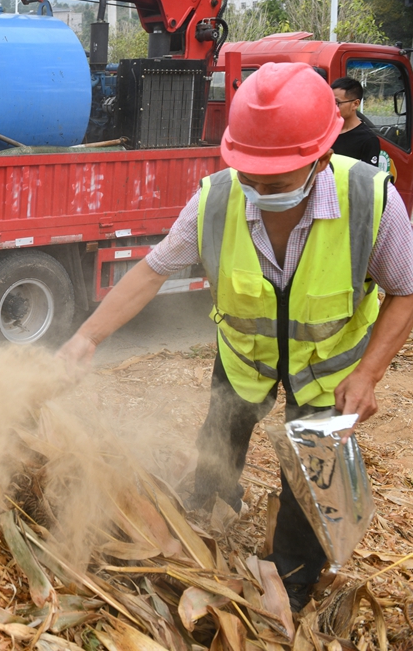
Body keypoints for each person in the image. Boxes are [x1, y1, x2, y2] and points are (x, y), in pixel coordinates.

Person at [58, 62, 413, 613]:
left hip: (329, 375)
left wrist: (368, 375)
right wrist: (87, 337)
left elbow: (406, 290)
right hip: (246, 358)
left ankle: (293, 584)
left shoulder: (371, 201)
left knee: (312, 474)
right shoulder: (217, 200)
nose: (257, 190)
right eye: (249, 175)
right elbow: (152, 271)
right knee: (221, 433)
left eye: (275, 181)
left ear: (319, 159)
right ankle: (211, 505)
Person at [330, 76, 381, 168]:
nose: (333, 107)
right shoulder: (326, 132)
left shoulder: (368, 140)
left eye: (337, 103)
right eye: (330, 102)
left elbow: (368, 178)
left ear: (355, 104)